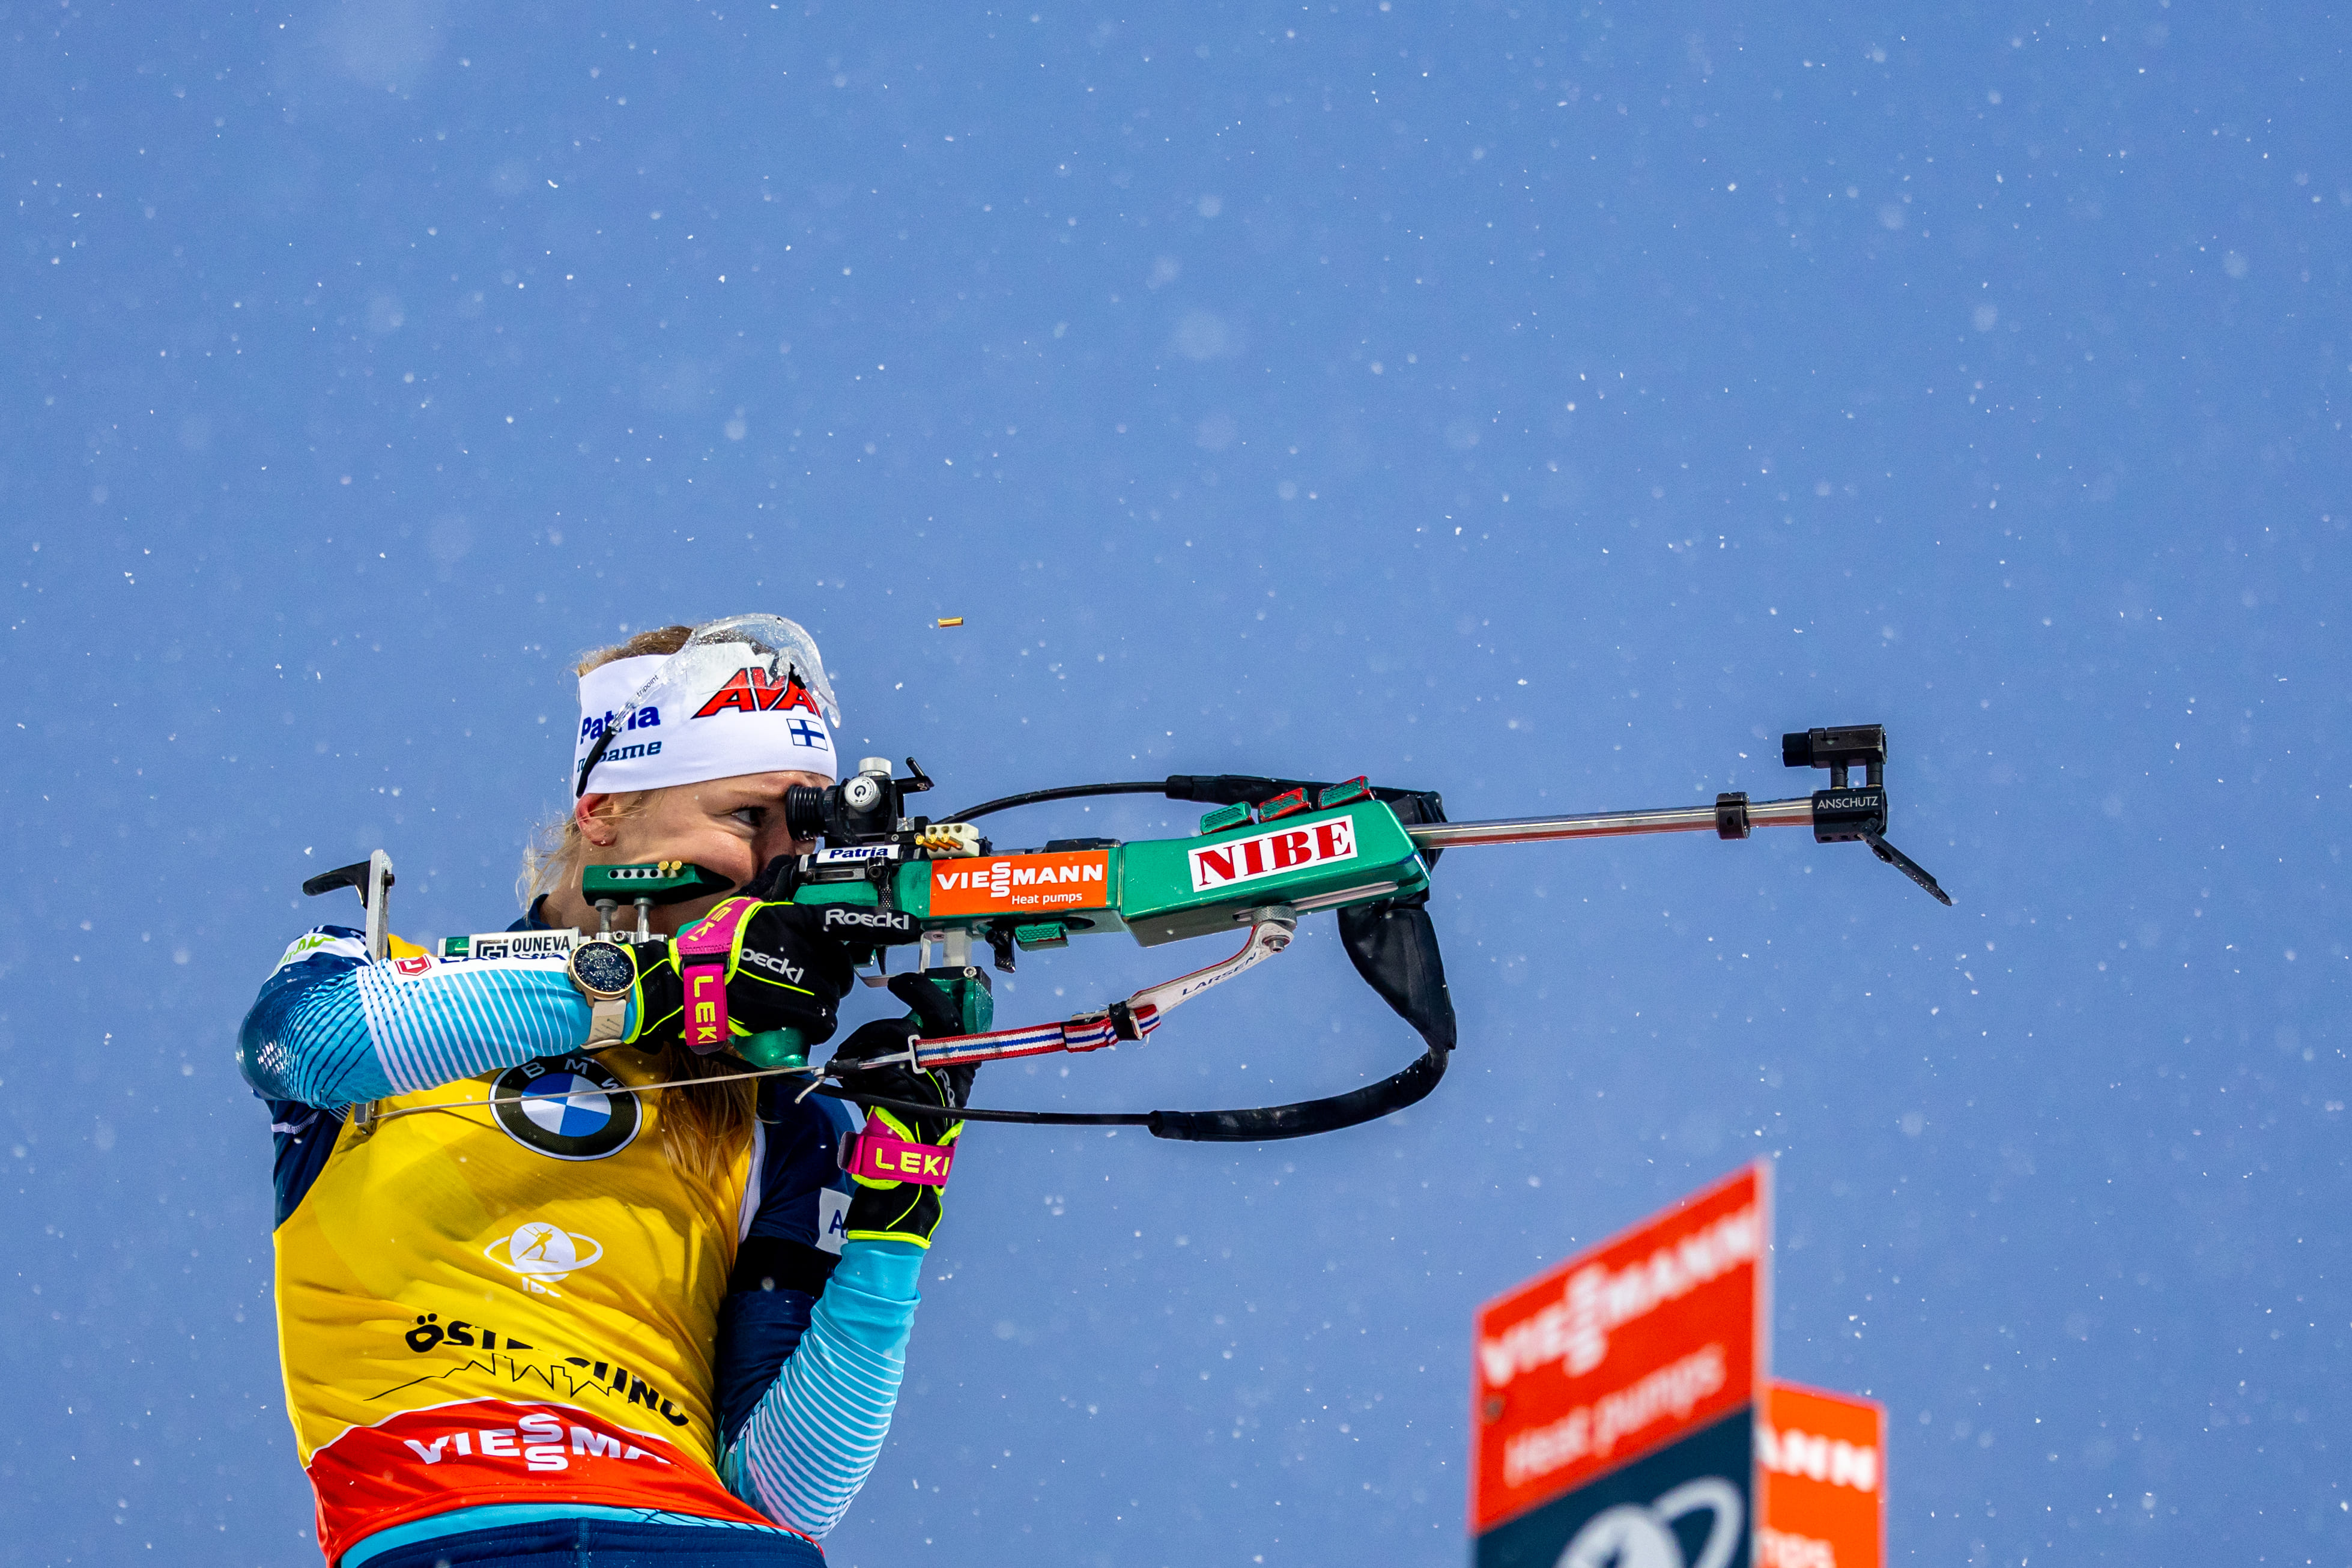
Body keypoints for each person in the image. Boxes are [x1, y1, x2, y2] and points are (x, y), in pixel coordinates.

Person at [238, 617, 972, 1567]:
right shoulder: (374, 969)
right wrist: (661, 986)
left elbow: (787, 1491)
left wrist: (899, 1210)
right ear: (604, 813)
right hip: (453, 1533)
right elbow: (304, 1045)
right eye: (745, 818)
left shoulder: (780, 1110)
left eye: (802, 831)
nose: (776, 866)